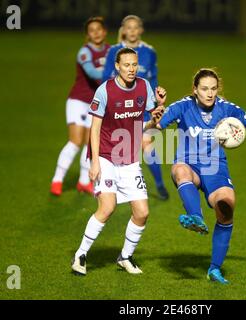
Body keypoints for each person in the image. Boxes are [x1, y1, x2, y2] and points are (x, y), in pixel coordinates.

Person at [144, 68, 246, 284]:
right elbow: (154, 128)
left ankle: (214, 269)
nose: (210, 93)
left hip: (216, 169)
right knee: (180, 171)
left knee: (227, 206)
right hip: (189, 163)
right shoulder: (182, 106)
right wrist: (156, 111)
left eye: (213, 88)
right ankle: (196, 217)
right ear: (195, 90)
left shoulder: (226, 108)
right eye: (204, 89)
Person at [71, 47, 166, 276]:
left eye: (134, 64)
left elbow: (153, 123)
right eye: (126, 65)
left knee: (142, 212)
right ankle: (81, 255)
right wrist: (94, 163)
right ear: (117, 66)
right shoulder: (105, 91)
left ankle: (125, 257)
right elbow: (94, 129)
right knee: (107, 207)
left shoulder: (144, 87)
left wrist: (161, 107)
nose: (131, 69)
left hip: (130, 159)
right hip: (105, 157)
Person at [102, 15, 169, 200]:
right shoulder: (114, 51)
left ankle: (159, 184)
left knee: (147, 143)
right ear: (123, 30)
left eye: (135, 27)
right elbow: (105, 79)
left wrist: (155, 103)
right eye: (128, 27)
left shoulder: (149, 52)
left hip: (141, 106)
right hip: (118, 107)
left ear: (141, 30)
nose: (132, 31)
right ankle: (113, 186)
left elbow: (153, 78)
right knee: (118, 146)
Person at [50, 17, 110, 196]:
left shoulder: (111, 51)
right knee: (76, 141)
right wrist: (114, 73)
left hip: (96, 104)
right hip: (78, 101)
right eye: (92, 30)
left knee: (90, 143)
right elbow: (93, 73)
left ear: (104, 31)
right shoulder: (84, 52)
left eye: (99, 29)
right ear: (87, 35)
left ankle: (84, 182)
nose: (96, 33)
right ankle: (57, 180)